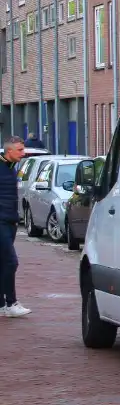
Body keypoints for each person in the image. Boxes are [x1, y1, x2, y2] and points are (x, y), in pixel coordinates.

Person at [0, 136, 28, 317]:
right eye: (19, 150)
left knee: (3, 263)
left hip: (10, 221)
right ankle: (11, 303)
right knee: (11, 262)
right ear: (9, 151)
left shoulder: (11, 168)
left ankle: (2, 304)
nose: (23, 154)